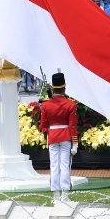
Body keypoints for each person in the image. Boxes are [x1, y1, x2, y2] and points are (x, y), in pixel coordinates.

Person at [39, 73, 79, 202]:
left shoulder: (45, 105)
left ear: (52, 88)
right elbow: (72, 126)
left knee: (54, 166)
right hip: (66, 135)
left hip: (53, 136)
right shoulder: (70, 104)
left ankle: (56, 195)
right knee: (64, 165)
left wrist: (49, 133)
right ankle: (65, 194)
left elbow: (43, 125)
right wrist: (75, 143)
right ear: (64, 87)